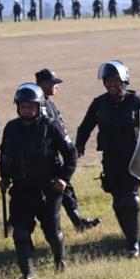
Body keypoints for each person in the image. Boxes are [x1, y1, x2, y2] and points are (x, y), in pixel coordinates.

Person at [0, 84, 77, 279]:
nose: (27, 110)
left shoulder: (51, 126)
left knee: (52, 232)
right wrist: (4, 177)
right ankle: (28, 274)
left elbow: (71, 154)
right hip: (21, 190)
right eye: (23, 106)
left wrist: (64, 178)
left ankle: (60, 261)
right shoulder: (11, 128)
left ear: (39, 107)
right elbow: (5, 155)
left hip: (48, 190)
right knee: (20, 232)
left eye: (31, 107)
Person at [75, 61, 140, 257]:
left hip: (133, 158)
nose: (111, 84)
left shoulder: (136, 101)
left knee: (131, 199)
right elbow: (85, 127)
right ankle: (129, 236)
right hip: (110, 159)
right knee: (118, 202)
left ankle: (133, 245)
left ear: (124, 80)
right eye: (108, 81)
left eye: (115, 80)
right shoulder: (99, 103)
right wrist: (79, 146)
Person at [35, 68, 100, 231]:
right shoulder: (37, 104)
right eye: (53, 83)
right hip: (41, 159)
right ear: (42, 84)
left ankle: (78, 222)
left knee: (65, 187)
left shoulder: (49, 103)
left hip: (54, 156)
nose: (56, 86)